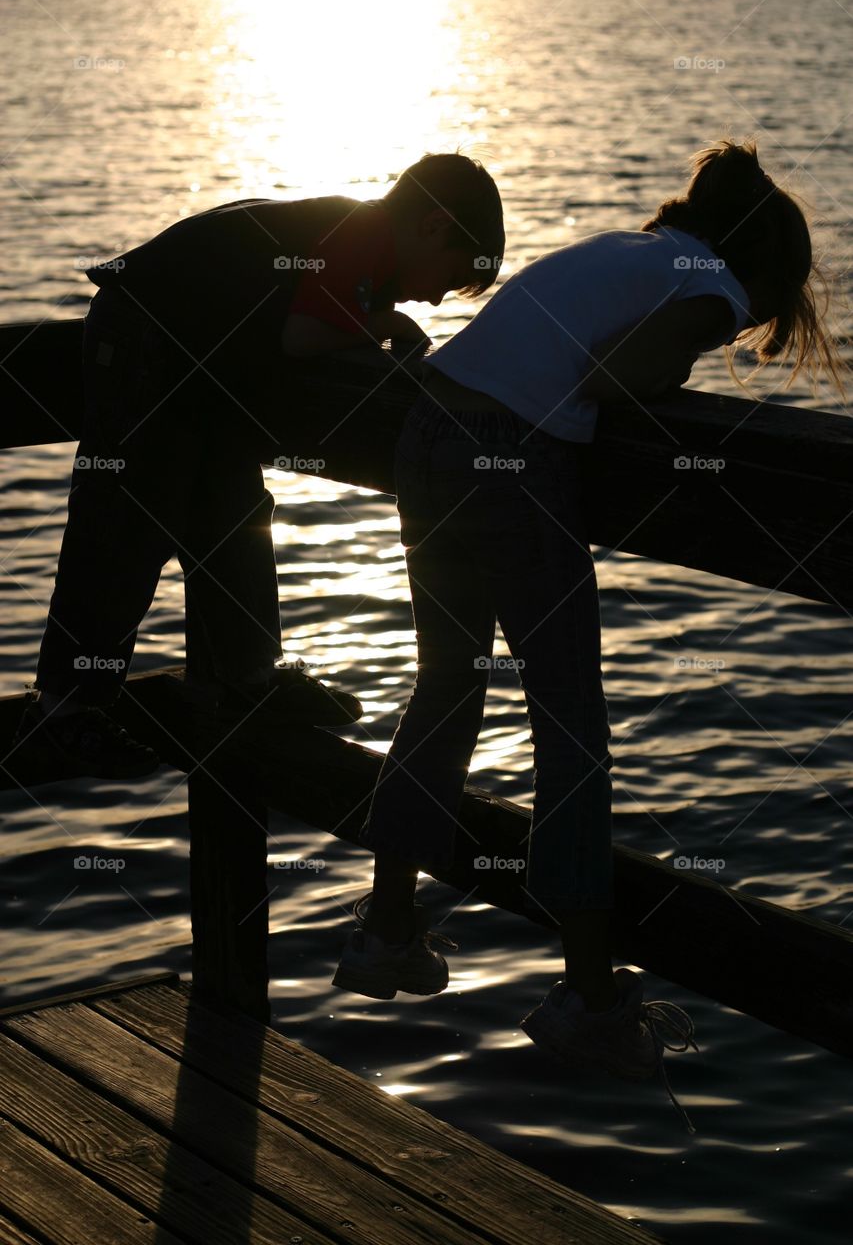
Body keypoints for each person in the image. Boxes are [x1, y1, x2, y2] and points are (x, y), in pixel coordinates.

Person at [331, 139, 845, 1132]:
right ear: (764, 271)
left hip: (429, 430)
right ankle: (585, 997)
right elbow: (615, 374)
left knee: (446, 689)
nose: (754, 325)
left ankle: (385, 928)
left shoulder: (634, 248)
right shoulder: (717, 289)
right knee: (569, 722)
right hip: (512, 461)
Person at [10, 154, 504, 780]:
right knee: (127, 522)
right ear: (433, 225)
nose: (435, 296)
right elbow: (304, 335)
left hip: (199, 362)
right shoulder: (362, 234)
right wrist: (384, 321)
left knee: (234, 514)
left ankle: (247, 678)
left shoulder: (353, 236)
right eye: (450, 275)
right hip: (146, 338)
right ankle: (60, 713)